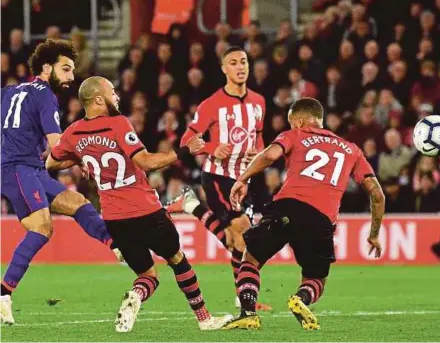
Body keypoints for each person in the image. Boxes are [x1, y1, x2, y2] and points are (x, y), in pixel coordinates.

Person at [46, 76, 232, 333]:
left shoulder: (73, 132)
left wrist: (83, 159)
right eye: (112, 92)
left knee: (147, 276)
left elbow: (51, 164)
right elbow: (145, 161)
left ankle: (136, 295)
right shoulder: (118, 123)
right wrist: (185, 151)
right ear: (99, 99)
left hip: (114, 218)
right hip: (145, 209)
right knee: (178, 260)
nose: (117, 96)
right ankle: (204, 318)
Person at [223, 98, 385, 330]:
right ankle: (301, 299)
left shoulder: (295, 135)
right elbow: (377, 194)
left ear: (298, 121)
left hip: (286, 207)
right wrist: (374, 234)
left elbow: (269, 156)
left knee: (251, 258)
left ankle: (247, 313)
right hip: (321, 219)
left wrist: (243, 178)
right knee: (316, 277)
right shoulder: (352, 149)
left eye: (291, 124)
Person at [0, 40, 120, 326]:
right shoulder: (45, 96)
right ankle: (3, 294)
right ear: (45, 68)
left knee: (78, 203)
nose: (70, 77)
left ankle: (118, 245)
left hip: (30, 167)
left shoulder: (10, 91)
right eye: (65, 69)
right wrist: (87, 161)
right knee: (42, 227)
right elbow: (58, 145)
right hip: (18, 168)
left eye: (72, 71)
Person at [180, 46, 271, 311]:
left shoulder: (259, 102)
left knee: (236, 241)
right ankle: (246, 301)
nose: (240, 67)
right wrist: (210, 147)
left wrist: (260, 151)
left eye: (243, 61)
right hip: (218, 177)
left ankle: (195, 208)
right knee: (244, 230)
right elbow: (187, 139)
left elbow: (261, 135)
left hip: (246, 179)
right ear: (224, 69)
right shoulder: (211, 105)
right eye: (233, 63)